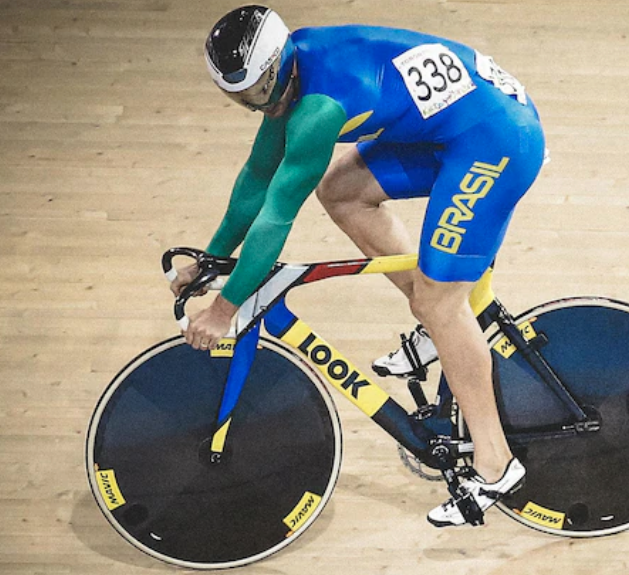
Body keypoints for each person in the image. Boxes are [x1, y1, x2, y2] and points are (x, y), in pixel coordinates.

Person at [174, 6, 546, 527]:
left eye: (260, 91)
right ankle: (440, 319)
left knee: (441, 303)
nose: (258, 105)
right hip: (458, 125)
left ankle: (495, 463)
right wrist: (209, 259)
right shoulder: (293, 77)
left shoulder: (319, 109)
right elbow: (257, 179)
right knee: (342, 191)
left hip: (495, 140)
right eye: (242, 98)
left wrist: (224, 306)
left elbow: (278, 213)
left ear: (280, 65)